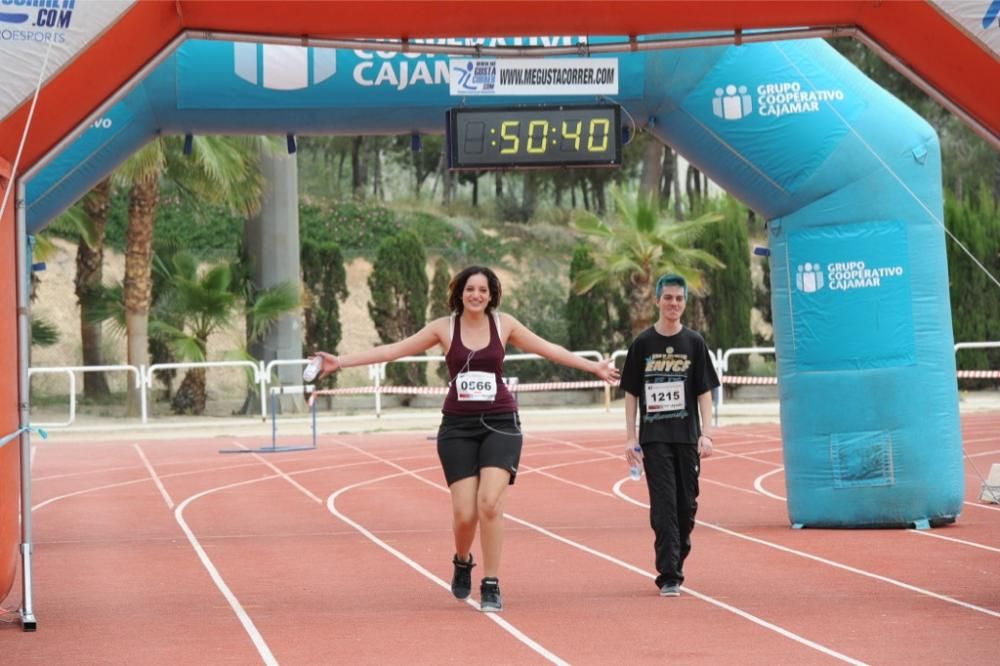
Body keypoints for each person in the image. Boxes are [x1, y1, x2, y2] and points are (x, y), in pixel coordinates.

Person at [311, 265, 620, 612]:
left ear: (492, 295)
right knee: (464, 515)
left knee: (490, 503)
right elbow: (392, 351)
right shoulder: (444, 328)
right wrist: (340, 362)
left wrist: (592, 366)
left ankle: (491, 582)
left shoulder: (505, 325)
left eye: (483, 291)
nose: (476, 295)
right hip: (458, 427)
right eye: (470, 289)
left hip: (501, 423)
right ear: (460, 292)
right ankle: (462, 560)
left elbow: (549, 348)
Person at [620, 273, 719, 597]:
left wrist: (707, 433)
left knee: (686, 506)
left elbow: (704, 391)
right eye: (668, 298)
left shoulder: (694, 343)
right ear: (658, 301)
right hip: (655, 437)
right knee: (663, 506)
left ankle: (677, 554)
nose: (673, 304)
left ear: (685, 303)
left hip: (688, 437)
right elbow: (631, 392)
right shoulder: (643, 344)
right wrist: (630, 436)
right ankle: (669, 574)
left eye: (679, 299)